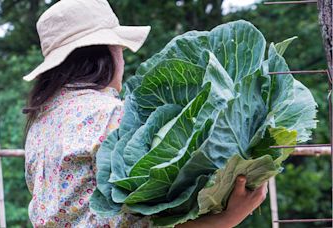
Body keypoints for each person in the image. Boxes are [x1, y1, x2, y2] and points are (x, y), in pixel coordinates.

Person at [22, 0, 268, 227]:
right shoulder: (111, 116)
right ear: (106, 55)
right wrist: (228, 217)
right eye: (119, 49)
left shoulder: (40, 123)